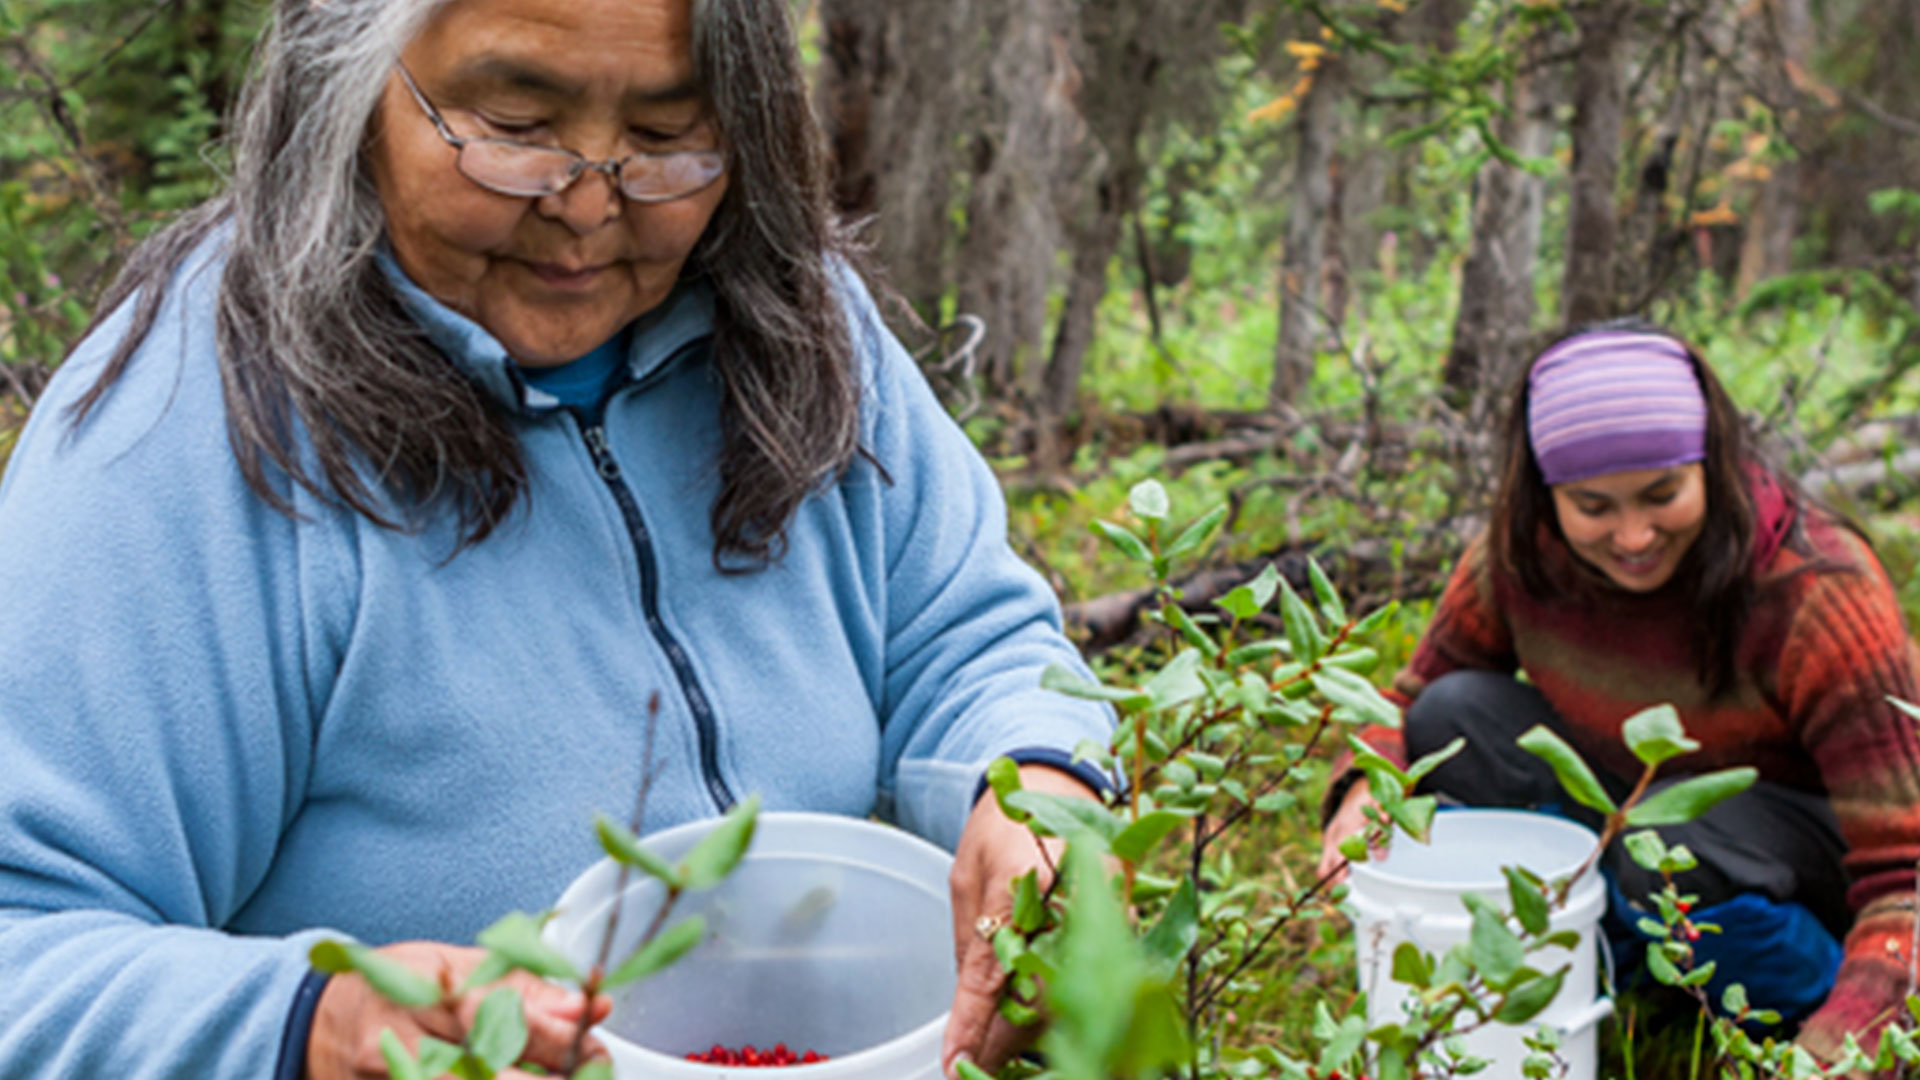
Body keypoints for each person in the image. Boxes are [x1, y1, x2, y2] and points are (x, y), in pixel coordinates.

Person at [0, 0, 1113, 1077]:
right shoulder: (191, 426)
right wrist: (312, 1028)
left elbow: (965, 637)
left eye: (669, 135)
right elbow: (24, 946)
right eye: (518, 131)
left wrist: (1035, 786)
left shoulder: (795, 324)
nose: (589, 205)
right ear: (346, 93)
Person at [1318, 326, 1920, 1065]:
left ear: (1712, 464)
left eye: (1662, 495)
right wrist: (1362, 787)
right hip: (1643, 813)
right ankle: (1614, 951)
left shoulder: (1819, 592)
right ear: (1547, 493)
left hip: (1798, 855)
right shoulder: (1521, 554)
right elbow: (1411, 701)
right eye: (1594, 506)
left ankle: (1790, 994)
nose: (1633, 535)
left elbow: (1906, 870)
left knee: (1662, 847)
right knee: (1454, 719)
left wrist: (1846, 1043)